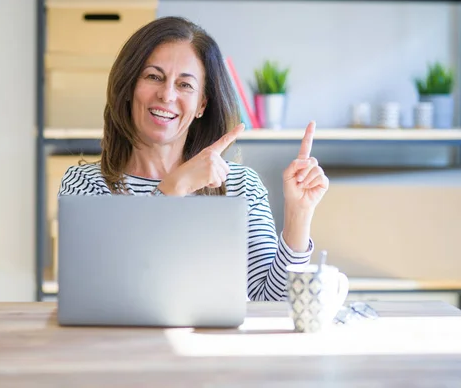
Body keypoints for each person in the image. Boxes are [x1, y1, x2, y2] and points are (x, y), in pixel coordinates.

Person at [59, 16, 329, 301]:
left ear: (202, 104)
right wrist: (173, 189)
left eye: (185, 85)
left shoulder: (241, 186)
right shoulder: (85, 185)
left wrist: (299, 214)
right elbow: (96, 293)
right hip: (120, 345)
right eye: (154, 76)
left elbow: (271, 303)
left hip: (213, 346)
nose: (166, 95)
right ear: (129, 87)